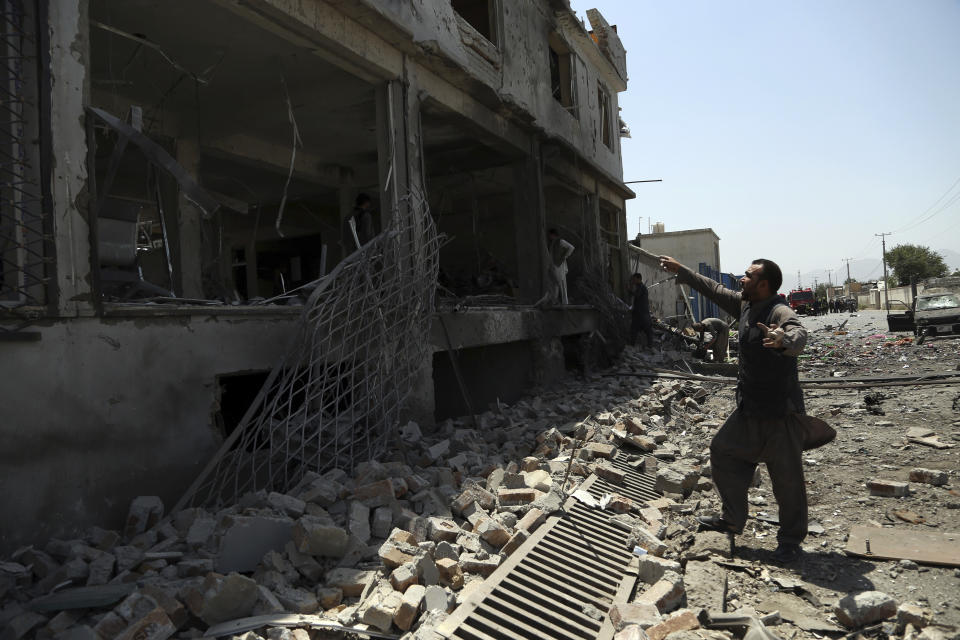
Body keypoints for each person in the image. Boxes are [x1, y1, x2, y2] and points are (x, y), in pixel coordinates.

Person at [660, 254, 809, 563]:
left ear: (764, 284)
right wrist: (683, 269)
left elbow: (797, 333)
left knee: (787, 479)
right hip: (749, 408)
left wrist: (783, 340)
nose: (742, 279)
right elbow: (714, 288)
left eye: (748, 276)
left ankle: (791, 541)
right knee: (723, 451)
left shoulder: (777, 311)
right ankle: (732, 519)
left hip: (781, 413)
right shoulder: (744, 306)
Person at [546, 228, 575, 305]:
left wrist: (564, 256)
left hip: (560, 265)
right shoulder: (552, 243)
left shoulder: (560, 241)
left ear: (553, 235)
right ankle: (554, 301)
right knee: (555, 284)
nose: (549, 237)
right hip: (554, 265)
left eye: (550, 235)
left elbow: (571, 248)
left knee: (562, 284)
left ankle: (565, 303)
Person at [629, 273, 654, 349]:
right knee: (635, 329)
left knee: (646, 330)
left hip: (642, 313)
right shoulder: (639, 287)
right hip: (640, 313)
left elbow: (637, 295)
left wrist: (629, 290)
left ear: (638, 279)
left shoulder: (641, 287)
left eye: (634, 279)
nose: (633, 281)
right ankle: (632, 344)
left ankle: (649, 346)